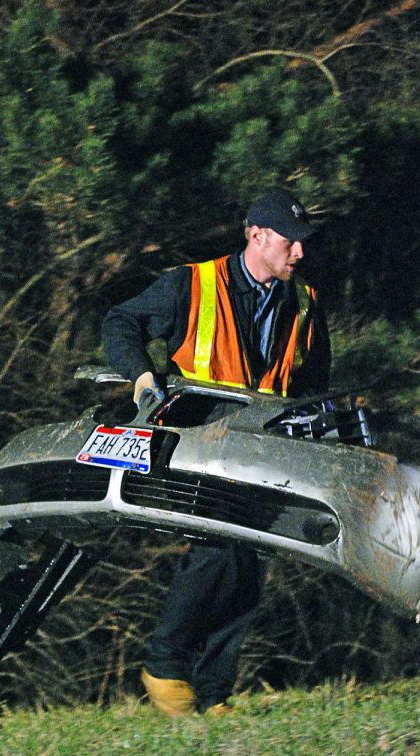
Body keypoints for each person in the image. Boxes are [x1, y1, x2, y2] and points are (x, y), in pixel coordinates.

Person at [102, 188, 330, 716]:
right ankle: (164, 667)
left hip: (258, 451)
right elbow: (120, 322)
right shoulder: (191, 285)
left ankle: (212, 693)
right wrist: (141, 378)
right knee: (219, 550)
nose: (299, 253)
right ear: (257, 236)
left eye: (302, 244)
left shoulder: (305, 303)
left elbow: (315, 382)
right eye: (290, 243)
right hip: (192, 444)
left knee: (248, 566)